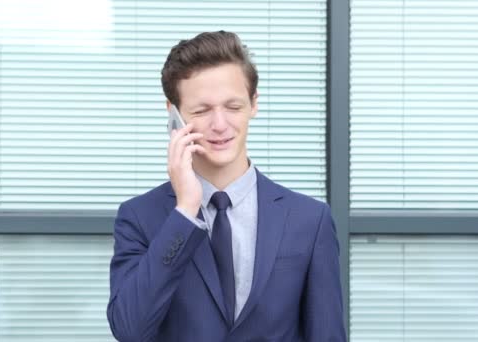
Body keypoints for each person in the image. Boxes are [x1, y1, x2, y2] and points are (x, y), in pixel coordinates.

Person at [106, 30, 346, 342]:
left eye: (232, 107)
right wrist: (185, 211)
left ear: (253, 104)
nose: (220, 125)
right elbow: (129, 330)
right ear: (173, 114)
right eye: (202, 110)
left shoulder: (310, 220)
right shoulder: (139, 217)